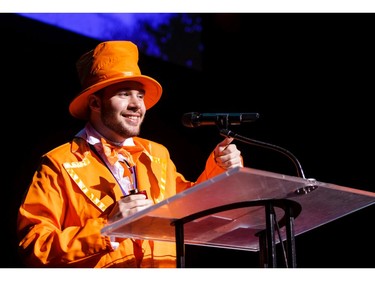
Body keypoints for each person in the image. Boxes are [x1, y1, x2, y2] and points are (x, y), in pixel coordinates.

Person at [16, 40, 243, 268]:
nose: (137, 105)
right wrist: (107, 228)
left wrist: (220, 168)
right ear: (95, 103)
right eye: (125, 94)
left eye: (141, 96)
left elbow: (192, 209)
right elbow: (34, 246)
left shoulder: (157, 155)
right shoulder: (59, 163)